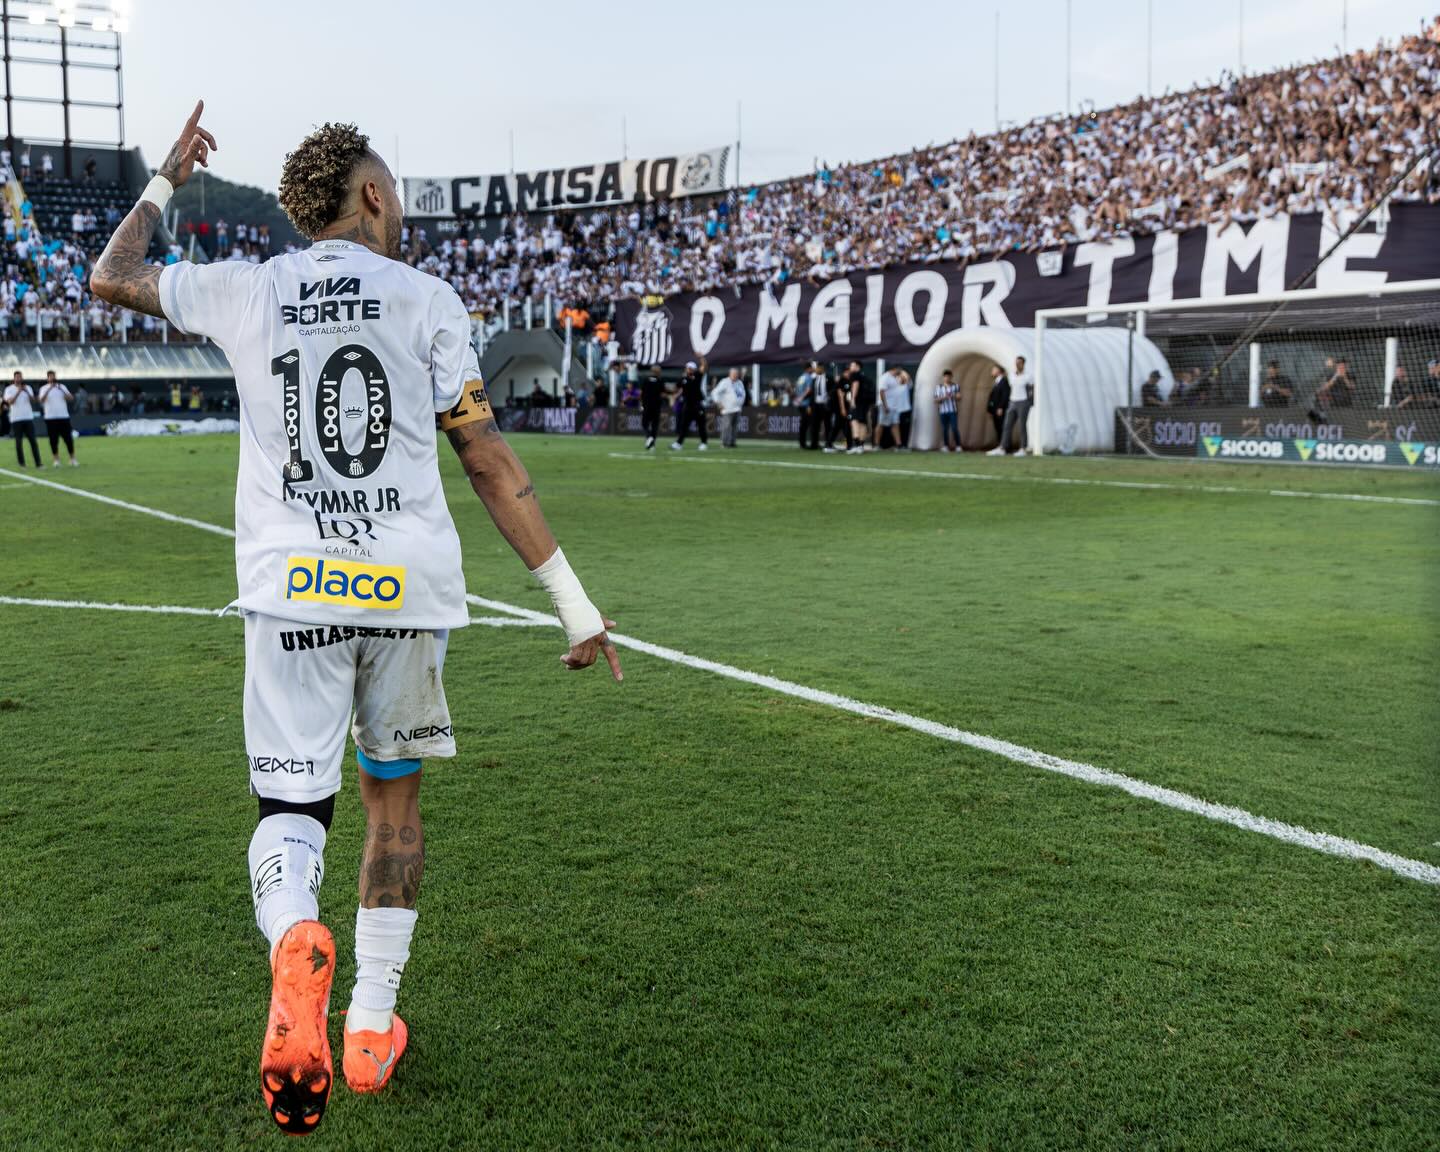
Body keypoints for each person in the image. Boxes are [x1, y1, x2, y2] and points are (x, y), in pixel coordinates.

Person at [90, 106, 622, 1135]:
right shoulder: (428, 298)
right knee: (393, 809)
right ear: (372, 193)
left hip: (292, 589)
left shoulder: (248, 286)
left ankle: (296, 936)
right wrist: (574, 603)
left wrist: (165, 181)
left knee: (290, 808)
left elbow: (110, 277)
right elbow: (486, 458)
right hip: (406, 595)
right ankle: (371, 1029)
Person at [994, 355, 1034, 456]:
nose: (1017, 364)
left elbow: (1031, 390)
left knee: (1022, 425)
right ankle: (1003, 447)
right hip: (1012, 402)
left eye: (1019, 363)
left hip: (1023, 402)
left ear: (1023, 364)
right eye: (1016, 362)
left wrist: (1029, 402)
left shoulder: (1028, 376)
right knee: (1007, 425)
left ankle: (1023, 448)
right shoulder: (1011, 375)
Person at [39, 370, 77, 467]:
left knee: (68, 439)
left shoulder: (62, 386)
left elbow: (71, 398)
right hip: (50, 418)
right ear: (47, 378)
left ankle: (72, 459)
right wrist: (49, 389)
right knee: (53, 440)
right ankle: (56, 460)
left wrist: (61, 390)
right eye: (50, 376)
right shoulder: (44, 388)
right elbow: (41, 400)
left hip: (63, 416)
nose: (52, 378)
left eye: (54, 376)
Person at [5, 371, 40, 467]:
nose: (18, 379)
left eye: (20, 377)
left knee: (33, 441)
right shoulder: (9, 389)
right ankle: (22, 463)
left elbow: (33, 400)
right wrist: (19, 391)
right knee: (18, 442)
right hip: (16, 419)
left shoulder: (28, 387)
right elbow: (10, 402)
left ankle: (38, 463)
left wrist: (26, 391)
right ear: (14, 378)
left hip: (28, 417)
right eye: (17, 377)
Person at [671, 359, 708, 450]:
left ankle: (704, 443)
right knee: (684, 425)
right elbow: (678, 388)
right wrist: (676, 395)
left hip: (697, 405)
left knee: (701, 425)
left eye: (690, 368)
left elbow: (704, 366)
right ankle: (679, 443)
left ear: (694, 369)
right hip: (687, 405)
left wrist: (701, 357)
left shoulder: (697, 376)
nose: (688, 369)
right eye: (688, 368)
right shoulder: (683, 379)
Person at [712, 367, 745, 448]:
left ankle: (732, 442)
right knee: (726, 426)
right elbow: (715, 392)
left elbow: (742, 394)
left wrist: (741, 403)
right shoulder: (725, 382)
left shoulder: (739, 383)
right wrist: (719, 403)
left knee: (734, 427)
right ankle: (724, 442)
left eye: (736, 374)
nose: (735, 375)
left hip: (737, 408)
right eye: (734, 374)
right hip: (728, 409)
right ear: (730, 374)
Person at [847, 361, 875, 454]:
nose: (850, 367)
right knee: (862, 423)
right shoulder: (865, 377)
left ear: (857, 366)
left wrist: (853, 399)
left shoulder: (855, 375)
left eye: (852, 365)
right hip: (865, 403)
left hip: (858, 402)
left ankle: (856, 444)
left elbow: (855, 385)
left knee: (854, 422)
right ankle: (860, 446)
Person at [984, 363, 1010, 450]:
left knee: (1002, 427)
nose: (992, 371)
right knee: (998, 427)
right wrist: (990, 409)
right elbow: (993, 397)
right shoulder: (997, 382)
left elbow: (1005, 395)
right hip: (995, 409)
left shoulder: (1004, 381)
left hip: (1000, 409)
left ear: (998, 371)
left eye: (994, 369)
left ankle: (1004, 446)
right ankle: (1000, 445)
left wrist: (1001, 407)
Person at [795, 361, 821, 450]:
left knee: (803, 424)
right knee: (810, 424)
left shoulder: (801, 377)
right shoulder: (809, 378)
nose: (813, 369)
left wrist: (798, 399)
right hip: (807, 404)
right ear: (809, 368)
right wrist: (802, 398)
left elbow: (797, 389)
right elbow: (809, 390)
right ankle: (811, 443)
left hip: (801, 404)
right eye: (812, 368)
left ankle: (802, 442)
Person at [936, 369, 961, 452]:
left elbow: (959, 397)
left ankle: (958, 445)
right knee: (944, 429)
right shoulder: (939, 387)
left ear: (951, 377)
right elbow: (936, 399)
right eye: (946, 377)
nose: (947, 378)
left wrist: (953, 396)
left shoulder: (955, 386)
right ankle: (946, 446)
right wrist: (944, 397)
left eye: (949, 377)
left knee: (954, 428)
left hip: (953, 410)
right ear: (943, 377)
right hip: (943, 411)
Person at [639, 364, 664, 449]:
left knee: (644, 423)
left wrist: (641, 403)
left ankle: (649, 437)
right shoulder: (660, 381)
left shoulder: (646, 380)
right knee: (654, 425)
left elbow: (641, 393)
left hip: (647, 405)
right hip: (656, 406)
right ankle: (652, 443)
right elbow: (663, 393)